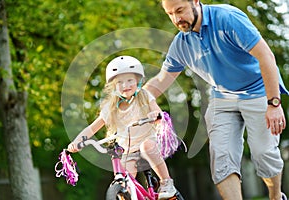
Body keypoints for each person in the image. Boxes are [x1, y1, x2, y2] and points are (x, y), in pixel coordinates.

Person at [144, 0, 289, 199]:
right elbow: (161, 80)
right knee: (221, 159)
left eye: (180, 10)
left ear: (195, 2)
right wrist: (131, 99)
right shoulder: (181, 44)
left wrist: (274, 103)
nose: (177, 19)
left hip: (259, 91)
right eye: (170, 14)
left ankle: (275, 196)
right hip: (222, 98)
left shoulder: (227, 18)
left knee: (263, 153)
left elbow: (266, 56)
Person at [67, 55, 177, 199]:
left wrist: (155, 115)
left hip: (147, 142)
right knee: (125, 178)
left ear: (138, 80)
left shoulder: (145, 96)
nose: (126, 85)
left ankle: (166, 182)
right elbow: (92, 128)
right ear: (113, 86)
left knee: (147, 147)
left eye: (130, 80)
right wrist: (76, 142)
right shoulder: (110, 107)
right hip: (127, 150)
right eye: (120, 82)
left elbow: (156, 111)